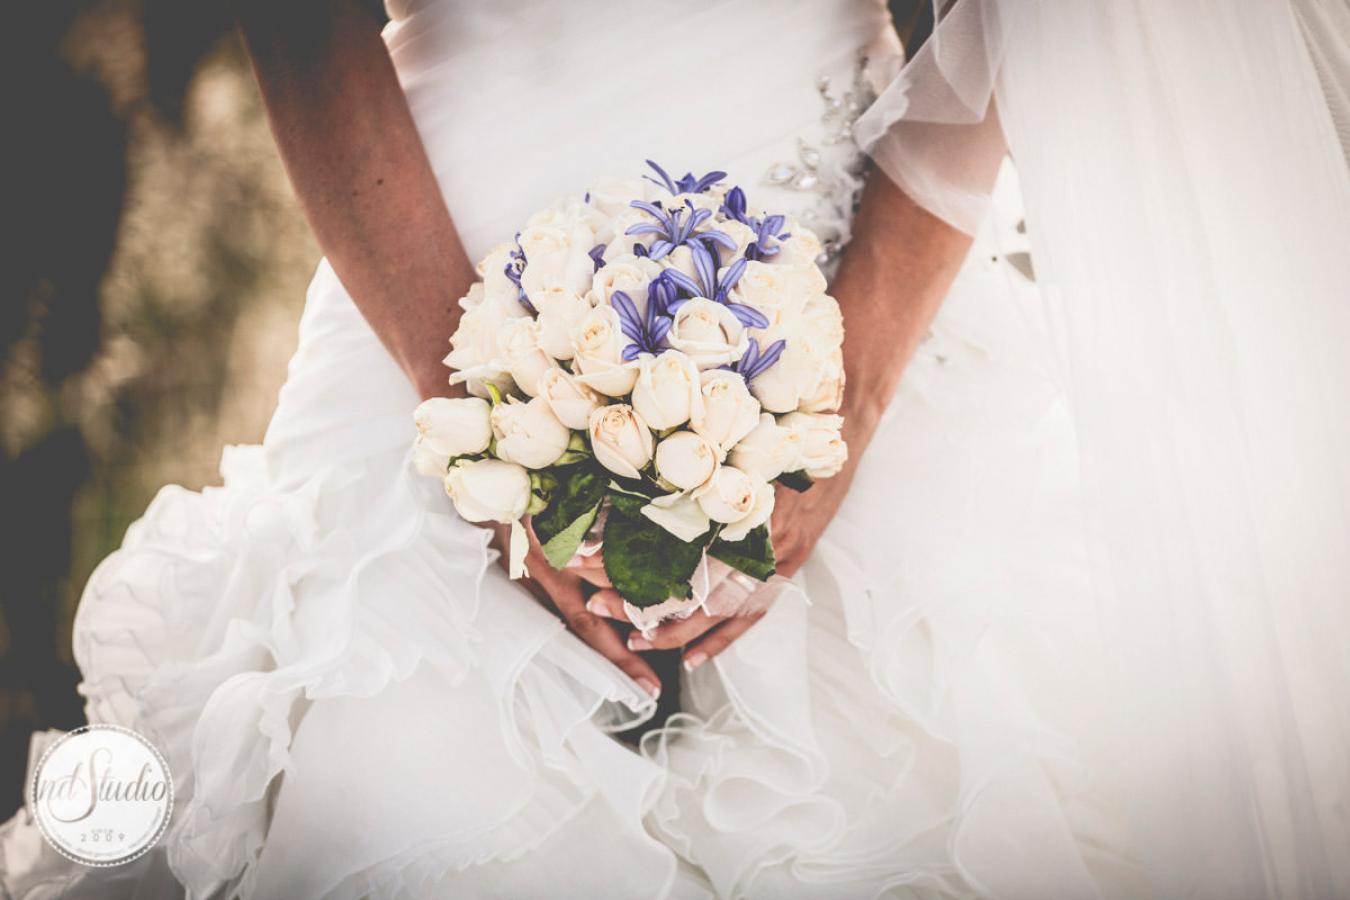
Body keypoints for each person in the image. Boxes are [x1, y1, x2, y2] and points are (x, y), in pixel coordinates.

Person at [5, 1, 1350, 897]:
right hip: (431, 250)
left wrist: (846, 397)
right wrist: (474, 400)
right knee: (399, 787)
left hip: (846, 262)